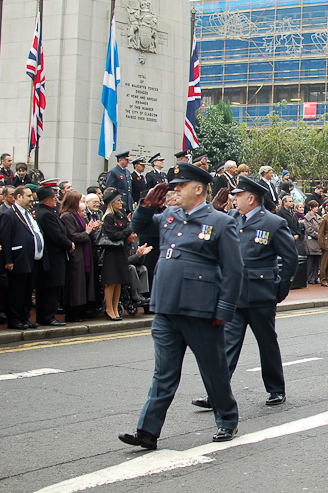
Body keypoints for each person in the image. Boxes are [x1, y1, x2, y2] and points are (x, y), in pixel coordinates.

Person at [119, 163, 243, 450]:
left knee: (213, 369)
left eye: (180, 186)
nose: (174, 190)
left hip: (200, 309)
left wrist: (223, 311)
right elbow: (138, 229)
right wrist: (145, 207)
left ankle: (226, 419)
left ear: (197, 189)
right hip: (166, 307)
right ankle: (147, 431)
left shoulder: (220, 222)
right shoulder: (169, 216)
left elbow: (234, 271)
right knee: (163, 373)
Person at [191, 175, 297, 409]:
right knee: (227, 345)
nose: (234, 199)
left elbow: (290, 260)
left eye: (238, 195)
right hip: (235, 295)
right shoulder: (231, 218)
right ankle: (217, 394)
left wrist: (280, 289)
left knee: (267, 343)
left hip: (261, 294)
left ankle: (276, 389)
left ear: (251, 198)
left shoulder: (273, 222)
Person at [0, 185, 42, 329]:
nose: (32, 199)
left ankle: (24, 317)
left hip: (30, 258)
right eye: (29, 196)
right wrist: (8, 260)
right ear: (19, 197)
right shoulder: (9, 214)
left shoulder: (28, 213)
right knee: (16, 291)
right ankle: (14, 319)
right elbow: (5, 239)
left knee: (27, 290)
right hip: (17, 258)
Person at [33, 186, 73, 327]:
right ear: (45, 200)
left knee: (51, 287)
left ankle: (45, 315)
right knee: (51, 287)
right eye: (53, 198)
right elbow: (56, 235)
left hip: (53, 257)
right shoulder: (45, 214)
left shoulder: (47, 212)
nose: (56, 200)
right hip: (52, 257)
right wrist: (69, 244)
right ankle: (47, 316)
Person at [60, 192, 99, 322]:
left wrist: (91, 230)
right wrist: (87, 232)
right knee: (75, 285)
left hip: (83, 254)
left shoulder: (76, 215)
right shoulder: (67, 216)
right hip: (76, 254)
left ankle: (81, 310)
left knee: (82, 284)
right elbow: (73, 235)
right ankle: (72, 313)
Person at [100, 188, 133, 321]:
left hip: (121, 251)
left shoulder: (121, 215)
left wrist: (125, 231)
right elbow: (113, 235)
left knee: (119, 281)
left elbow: (124, 229)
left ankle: (115, 307)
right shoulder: (108, 217)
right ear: (111, 203)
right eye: (118, 200)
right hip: (112, 252)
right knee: (111, 281)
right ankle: (109, 308)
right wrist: (127, 230)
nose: (120, 202)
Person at [126, 234, 151, 307]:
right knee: (131, 268)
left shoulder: (135, 242)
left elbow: (139, 263)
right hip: (121, 269)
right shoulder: (122, 244)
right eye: (133, 234)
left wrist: (142, 255)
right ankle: (135, 296)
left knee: (143, 268)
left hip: (132, 266)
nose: (135, 235)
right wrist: (137, 256)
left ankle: (141, 295)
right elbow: (124, 261)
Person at [303, 200, 322, 284]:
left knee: (317, 261)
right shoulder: (307, 218)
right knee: (310, 261)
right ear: (310, 208)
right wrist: (319, 235)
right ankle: (310, 278)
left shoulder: (319, 217)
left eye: (317, 206)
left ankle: (315, 277)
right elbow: (309, 230)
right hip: (311, 241)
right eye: (314, 207)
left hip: (318, 242)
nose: (316, 208)